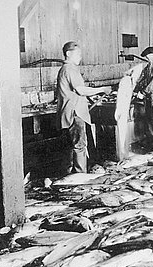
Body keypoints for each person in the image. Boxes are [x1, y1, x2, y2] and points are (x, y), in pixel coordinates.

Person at [56, 41, 111, 173]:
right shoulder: (69, 69)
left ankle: (69, 175)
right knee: (79, 146)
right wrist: (102, 89)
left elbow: (75, 92)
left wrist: (91, 96)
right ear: (68, 54)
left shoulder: (66, 69)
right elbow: (80, 90)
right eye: (78, 54)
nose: (80, 56)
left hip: (69, 112)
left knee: (71, 147)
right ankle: (80, 177)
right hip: (75, 114)